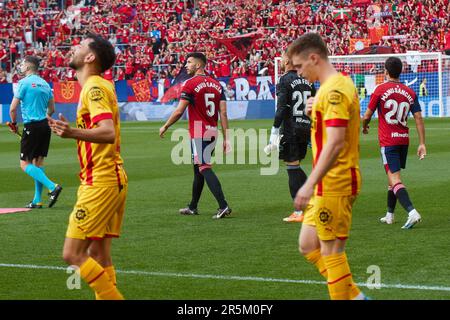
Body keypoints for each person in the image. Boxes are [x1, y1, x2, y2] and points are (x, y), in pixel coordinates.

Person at [47, 33, 127, 300]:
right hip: (111, 178)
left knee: (73, 254)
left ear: (90, 57)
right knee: (98, 254)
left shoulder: (93, 87)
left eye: (80, 46)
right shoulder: (99, 86)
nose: (74, 49)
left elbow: (107, 132)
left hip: (101, 181)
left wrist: (71, 134)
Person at [288, 33, 367, 300]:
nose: (298, 73)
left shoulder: (333, 90)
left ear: (314, 58)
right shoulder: (330, 88)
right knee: (308, 245)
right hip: (326, 181)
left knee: (332, 253)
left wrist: (308, 184)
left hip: (336, 180)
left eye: (299, 67)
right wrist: (315, 109)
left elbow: (335, 143)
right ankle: (356, 297)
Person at [159, 52, 232, 219]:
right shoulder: (217, 84)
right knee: (198, 169)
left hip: (199, 133)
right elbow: (224, 113)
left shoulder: (190, 84)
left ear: (198, 65)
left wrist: (166, 125)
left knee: (204, 167)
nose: (186, 65)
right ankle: (193, 206)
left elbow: (179, 111)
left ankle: (223, 205)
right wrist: (226, 137)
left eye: (189, 62)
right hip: (212, 132)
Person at [362, 57, 426, 229]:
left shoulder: (380, 89)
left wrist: (365, 126)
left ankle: (412, 212)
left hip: (388, 141)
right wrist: (422, 143)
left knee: (395, 179)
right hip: (403, 140)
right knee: (392, 180)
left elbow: (367, 115)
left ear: (385, 71)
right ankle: (390, 215)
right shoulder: (410, 92)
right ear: (400, 71)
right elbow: (418, 117)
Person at [265, 52, 315, 223]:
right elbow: (314, 105)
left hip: (291, 129)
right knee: (296, 165)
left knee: (292, 168)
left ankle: (299, 211)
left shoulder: (285, 80)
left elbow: (282, 108)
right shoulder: (308, 80)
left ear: (286, 61)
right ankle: (313, 196)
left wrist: (274, 132)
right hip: (306, 128)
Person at [9, 56, 62, 209]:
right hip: (45, 126)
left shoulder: (23, 83)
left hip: (31, 126)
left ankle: (53, 186)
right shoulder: (45, 84)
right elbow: (52, 109)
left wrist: (13, 124)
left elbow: (13, 108)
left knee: (24, 164)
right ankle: (37, 200)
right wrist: (44, 117)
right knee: (38, 163)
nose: (21, 66)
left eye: (23, 64)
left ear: (28, 67)